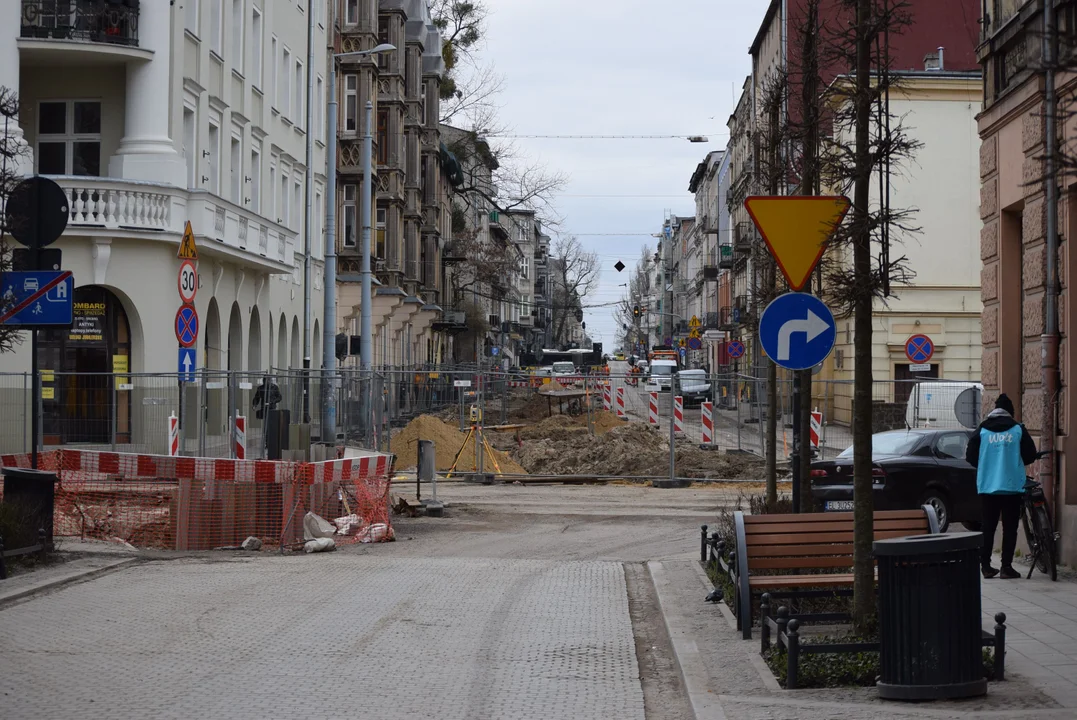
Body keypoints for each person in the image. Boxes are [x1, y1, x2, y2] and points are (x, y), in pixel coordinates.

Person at [965, 393, 1038, 579]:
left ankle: (986, 566)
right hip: (1012, 486)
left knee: (988, 527)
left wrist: (987, 465)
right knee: (1010, 527)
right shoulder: (1018, 429)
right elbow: (1030, 454)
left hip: (988, 486)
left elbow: (970, 456)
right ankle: (1006, 567)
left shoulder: (982, 430)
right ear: (1010, 412)